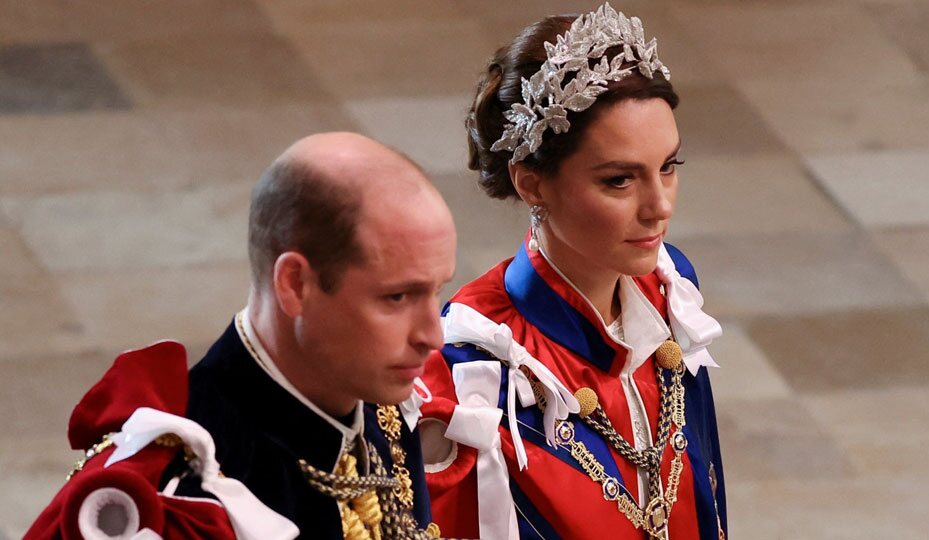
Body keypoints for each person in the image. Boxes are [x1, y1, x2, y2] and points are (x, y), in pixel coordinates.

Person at [27, 132, 455, 540]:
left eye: (436, 290)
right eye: (396, 297)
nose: (432, 335)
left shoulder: (380, 410)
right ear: (294, 285)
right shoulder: (184, 502)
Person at [418, 4, 727, 539]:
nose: (660, 207)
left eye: (668, 168)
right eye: (619, 181)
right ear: (532, 184)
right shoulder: (475, 368)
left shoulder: (670, 288)